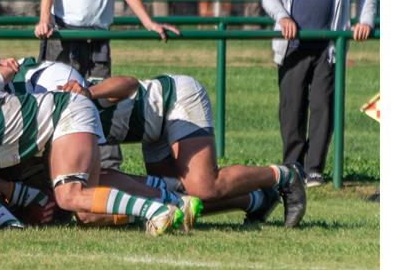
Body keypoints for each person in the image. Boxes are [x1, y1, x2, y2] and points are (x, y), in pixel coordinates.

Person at [0, 67, 198, 236]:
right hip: (67, 111)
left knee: (69, 195)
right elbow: (2, 71)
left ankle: (155, 211)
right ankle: (174, 201)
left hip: (67, 113)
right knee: (87, 211)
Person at [34, 0, 177, 172]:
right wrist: (44, 20)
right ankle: (51, 166)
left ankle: (107, 167)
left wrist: (149, 23)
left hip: (98, 36)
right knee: (59, 98)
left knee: (101, 95)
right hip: (65, 34)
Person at [63, 73, 307, 227]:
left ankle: (285, 175)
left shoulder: (68, 96)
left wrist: (89, 92)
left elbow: (129, 83)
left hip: (175, 100)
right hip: (151, 133)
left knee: (203, 186)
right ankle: (258, 199)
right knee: (179, 200)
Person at [261, 0, 376, 187]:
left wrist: (365, 21)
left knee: (324, 106)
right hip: (293, 45)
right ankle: (292, 167)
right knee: (291, 107)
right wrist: (283, 16)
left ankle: (314, 169)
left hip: (329, 45)